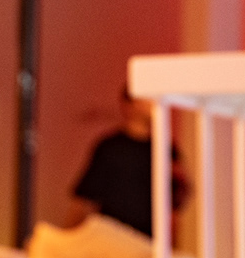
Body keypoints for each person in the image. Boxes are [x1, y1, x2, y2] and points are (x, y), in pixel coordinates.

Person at [67, 88, 189, 237]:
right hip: (112, 238)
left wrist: (171, 241)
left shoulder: (165, 149)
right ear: (129, 104)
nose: (152, 103)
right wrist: (70, 238)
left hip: (149, 241)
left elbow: (174, 201)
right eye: (146, 98)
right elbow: (85, 197)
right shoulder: (110, 147)